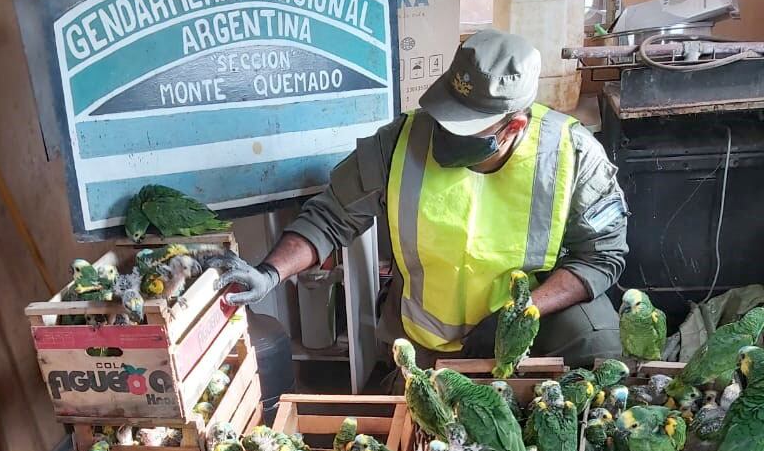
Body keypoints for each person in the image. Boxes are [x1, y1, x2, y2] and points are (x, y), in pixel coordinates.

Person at [215, 29, 627, 368]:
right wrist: (269, 273)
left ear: (514, 125)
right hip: (429, 338)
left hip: (529, 328)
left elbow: (601, 256)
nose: (444, 134)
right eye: (445, 117)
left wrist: (518, 314)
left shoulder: (572, 155)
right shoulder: (399, 143)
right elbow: (329, 217)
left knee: (601, 345)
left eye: (465, 129)